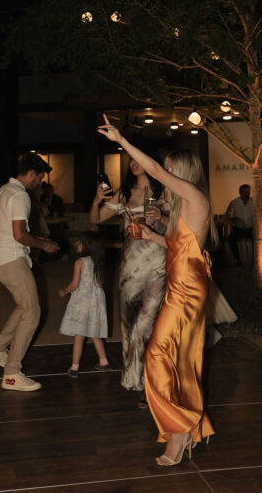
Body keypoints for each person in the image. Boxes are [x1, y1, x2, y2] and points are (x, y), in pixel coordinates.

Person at [98, 115, 217, 466]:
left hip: (185, 291)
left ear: (180, 171)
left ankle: (179, 430)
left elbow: (151, 168)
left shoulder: (193, 194)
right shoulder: (187, 203)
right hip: (182, 285)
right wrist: (151, 236)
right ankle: (186, 429)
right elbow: (181, 244)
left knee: (155, 355)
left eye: (167, 169)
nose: (161, 172)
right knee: (178, 359)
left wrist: (121, 139)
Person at [89, 149, 166, 401]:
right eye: (131, 160)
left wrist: (162, 215)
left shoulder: (164, 192)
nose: (133, 163)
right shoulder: (124, 194)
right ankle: (135, 377)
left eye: (139, 159)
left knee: (147, 326)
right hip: (129, 270)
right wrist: (98, 198)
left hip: (157, 267)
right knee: (129, 324)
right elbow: (96, 218)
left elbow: (180, 226)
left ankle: (147, 382)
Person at [0, 152, 60, 391]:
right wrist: (44, 244)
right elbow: (19, 235)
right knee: (33, 313)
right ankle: (11, 373)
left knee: (24, 305)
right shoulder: (20, 195)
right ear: (31, 174)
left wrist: (34, 240)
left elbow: (12, 231)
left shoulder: (3, 191)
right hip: (11, 259)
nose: (40, 182)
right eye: (39, 178)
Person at [59, 231, 112, 376]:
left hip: (83, 303)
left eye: (80, 241)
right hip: (96, 304)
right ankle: (104, 362)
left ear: (88, 245)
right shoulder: (98, 261)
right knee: (95, 334)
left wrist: (64, 291)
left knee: (79, 336)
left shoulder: (80, 262)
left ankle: (74, 367)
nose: (77, 244)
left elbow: (75, 284)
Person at [224, 183, 253, 264]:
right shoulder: (235, 202)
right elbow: (228, 215)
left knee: (258, 239)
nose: (247, 194)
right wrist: (237, 219)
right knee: (231, 239)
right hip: (239, 228)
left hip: (251, 228)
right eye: (245, 192)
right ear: (240, 192)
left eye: (248, 191)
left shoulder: (253, 201)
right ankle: (237, 259)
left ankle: (255, 259)